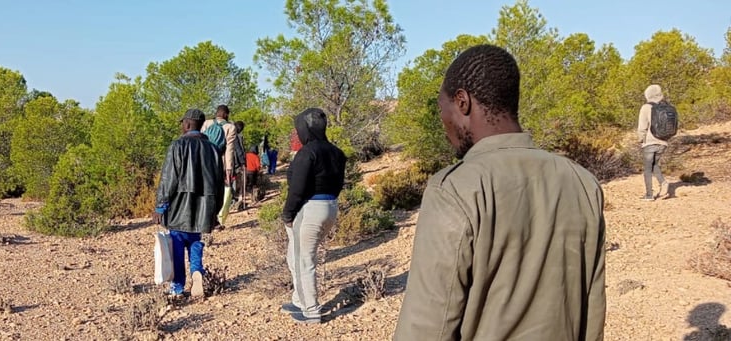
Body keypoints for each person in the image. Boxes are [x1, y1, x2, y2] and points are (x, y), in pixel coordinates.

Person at [394, 45, 606, 340]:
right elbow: (592, 308)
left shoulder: (454, 189)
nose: (445, 126)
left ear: (462, 102)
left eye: (443, 110)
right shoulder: (582, 182)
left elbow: (428, 326)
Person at [279, 108, 347, 324]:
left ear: (304, 128)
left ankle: (311, 311)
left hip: (309, 210)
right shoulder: (337, 152)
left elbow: (297, 189)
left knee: (303, 261)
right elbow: (338, 184)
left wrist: (288, 213)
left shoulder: (307, 152)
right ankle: (299, 300)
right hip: (331, 206)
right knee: (295, 256)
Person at [153, 109, 225, 298]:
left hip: (179, 205)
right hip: (204, 205)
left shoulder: (177, 145)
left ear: (186, 124)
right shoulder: (213, 149)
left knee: (177, 244)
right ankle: (196, 271)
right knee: (195, 241)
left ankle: (177, 287)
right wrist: (215, 212)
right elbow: (220, 183)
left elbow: (169, 178)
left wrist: (161, 205)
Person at [203, 105, 238, 224]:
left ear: (217, 113)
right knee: (216, 191)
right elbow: (229, 150)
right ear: (226, 115)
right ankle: (214, 219)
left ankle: (202, 216)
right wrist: (228, 169)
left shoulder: (206, 123)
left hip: (203, 161)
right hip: (218, 163)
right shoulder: (230, 127)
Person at [638, 84, 670, 201]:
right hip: (663, 141)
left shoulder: (646, 107)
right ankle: (663, 183)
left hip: (650, 142)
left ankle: (649, 195)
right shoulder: (666, 106)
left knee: (647, 168)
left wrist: (641, 139)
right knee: (654, 164)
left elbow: (642, 127)